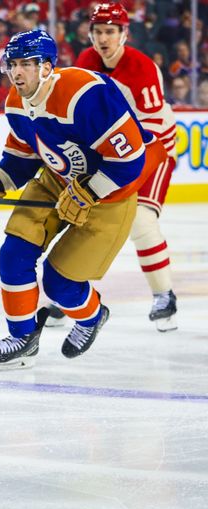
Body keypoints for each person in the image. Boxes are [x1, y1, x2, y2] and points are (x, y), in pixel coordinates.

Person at [0, 30, 166, 370]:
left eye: (26, 65)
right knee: (14, 252)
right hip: (57, 178)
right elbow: (20, 162)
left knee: (59, 282)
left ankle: (92, 316)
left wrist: (90, 192)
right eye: (12, 65)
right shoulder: (17, 103)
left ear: (47, 67)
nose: (17, 74)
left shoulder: (85, 95)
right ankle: (22, 337)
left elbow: (131, 161)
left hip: (111, 192)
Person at [73, 3, 179, 331]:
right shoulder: (86, 62)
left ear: (124, 34)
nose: (103, 38)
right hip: (112, 148)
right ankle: (69, 295)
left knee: (141, 220)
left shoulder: (141, 68)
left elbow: (147, 133)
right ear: (90, 34)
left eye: (110, 31)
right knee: (80, 214)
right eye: (98, 31)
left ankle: (165, 295)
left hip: (154, 146)